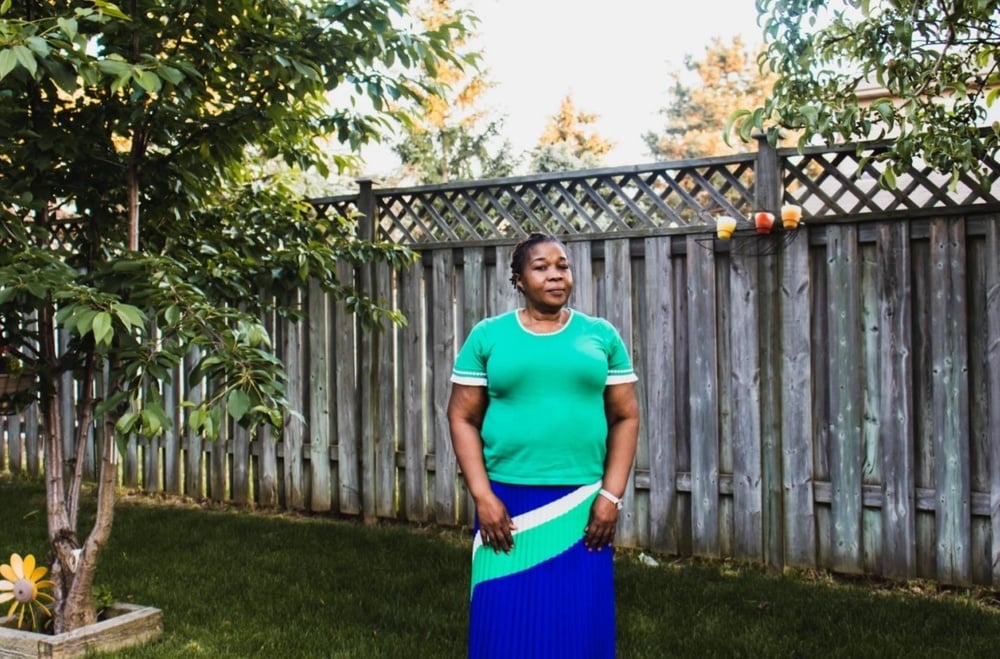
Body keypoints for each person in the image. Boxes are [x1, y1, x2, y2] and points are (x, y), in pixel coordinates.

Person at [447, 232, 640, 658]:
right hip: (506, 504)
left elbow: (626, 416)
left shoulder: (600, 335)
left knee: (579, 622)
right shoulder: (488, 336)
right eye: (541, 267)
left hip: (584, 505)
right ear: (518, 278)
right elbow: (461, 417)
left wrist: (610, 496)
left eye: (562, 266)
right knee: (504, 625)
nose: (555, 276)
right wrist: (483, 495)